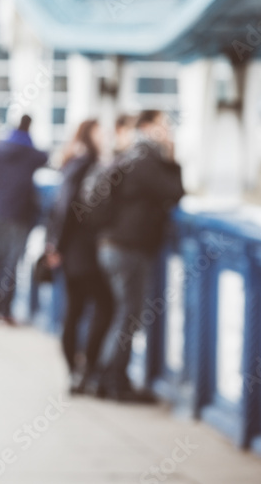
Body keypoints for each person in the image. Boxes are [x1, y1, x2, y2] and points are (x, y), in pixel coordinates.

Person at [93, 109, 184, 401]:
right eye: (163, 125)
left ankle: (106, 377)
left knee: (123, 313)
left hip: (111, 244)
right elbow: (174, 191)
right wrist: (172, 156)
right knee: (128, 316)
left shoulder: (129, 155)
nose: (168, 130)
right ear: (147, 127)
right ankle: (113, 380)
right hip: (129, 248)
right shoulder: (147, 159)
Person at [44, 120, 113, 394]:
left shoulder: (73, 162)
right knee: (103, 306)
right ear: (90, 135)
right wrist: (56, 247)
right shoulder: (87, 163)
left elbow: (59, 208)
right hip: (80, 250)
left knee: (74, 311)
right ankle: (86, 369)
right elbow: (67, 208)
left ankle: (76, 372)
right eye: (100, 132)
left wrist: (54, 245)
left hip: (71, 249)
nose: (105, 137)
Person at [0, 114, 49, 324]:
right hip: (20, 213)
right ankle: (5, 310)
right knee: (11, 263)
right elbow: (48, 158)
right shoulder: (34, 154)